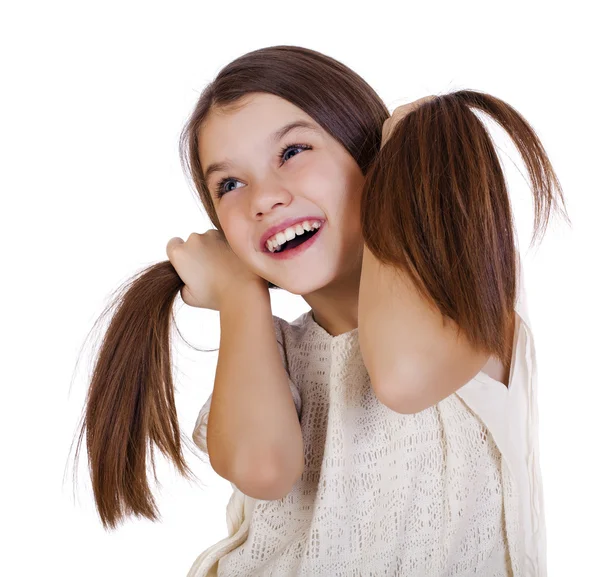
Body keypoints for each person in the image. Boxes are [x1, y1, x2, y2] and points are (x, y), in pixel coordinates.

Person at [72, 45, 570, 576]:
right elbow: (261, 469)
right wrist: (241, 294)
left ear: (369, 153)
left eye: (292, 152)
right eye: (230, 185)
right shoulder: (269, 351)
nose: (262, 200)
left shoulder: (464, 290)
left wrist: (404, 148)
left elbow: (401, 378)